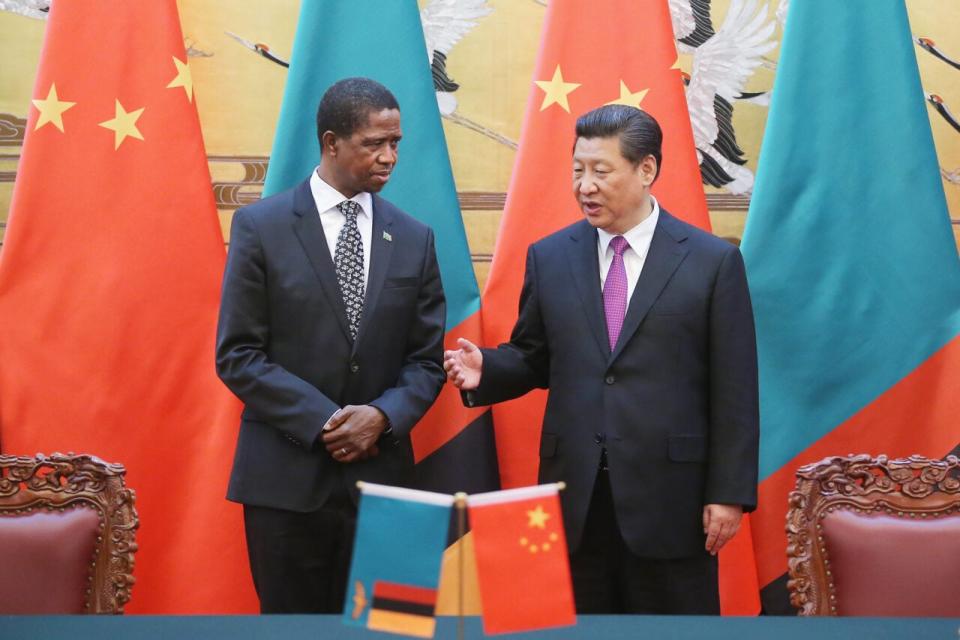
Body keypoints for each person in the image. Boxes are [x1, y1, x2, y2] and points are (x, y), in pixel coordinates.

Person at [444, 104, 759, 614]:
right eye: (577, 170)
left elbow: (736, 389)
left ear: (647, 170)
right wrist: (489, 369)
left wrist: (728, 493)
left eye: (600, 171)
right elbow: (534, 357)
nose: (584, 186)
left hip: (671, 502)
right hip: (573, 500)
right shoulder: (551, 256)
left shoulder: (711, 262)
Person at [216, 77, 446, 613]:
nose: (389, 157)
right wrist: (328, 422)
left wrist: (381, 417)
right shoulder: (260, 227)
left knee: (391, 627)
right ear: (331, 142)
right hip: (286, 487)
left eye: (396, 144)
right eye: (374, 143)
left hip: (384, 487)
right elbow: (238, 355)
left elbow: (425, 361)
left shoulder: (415, 237)